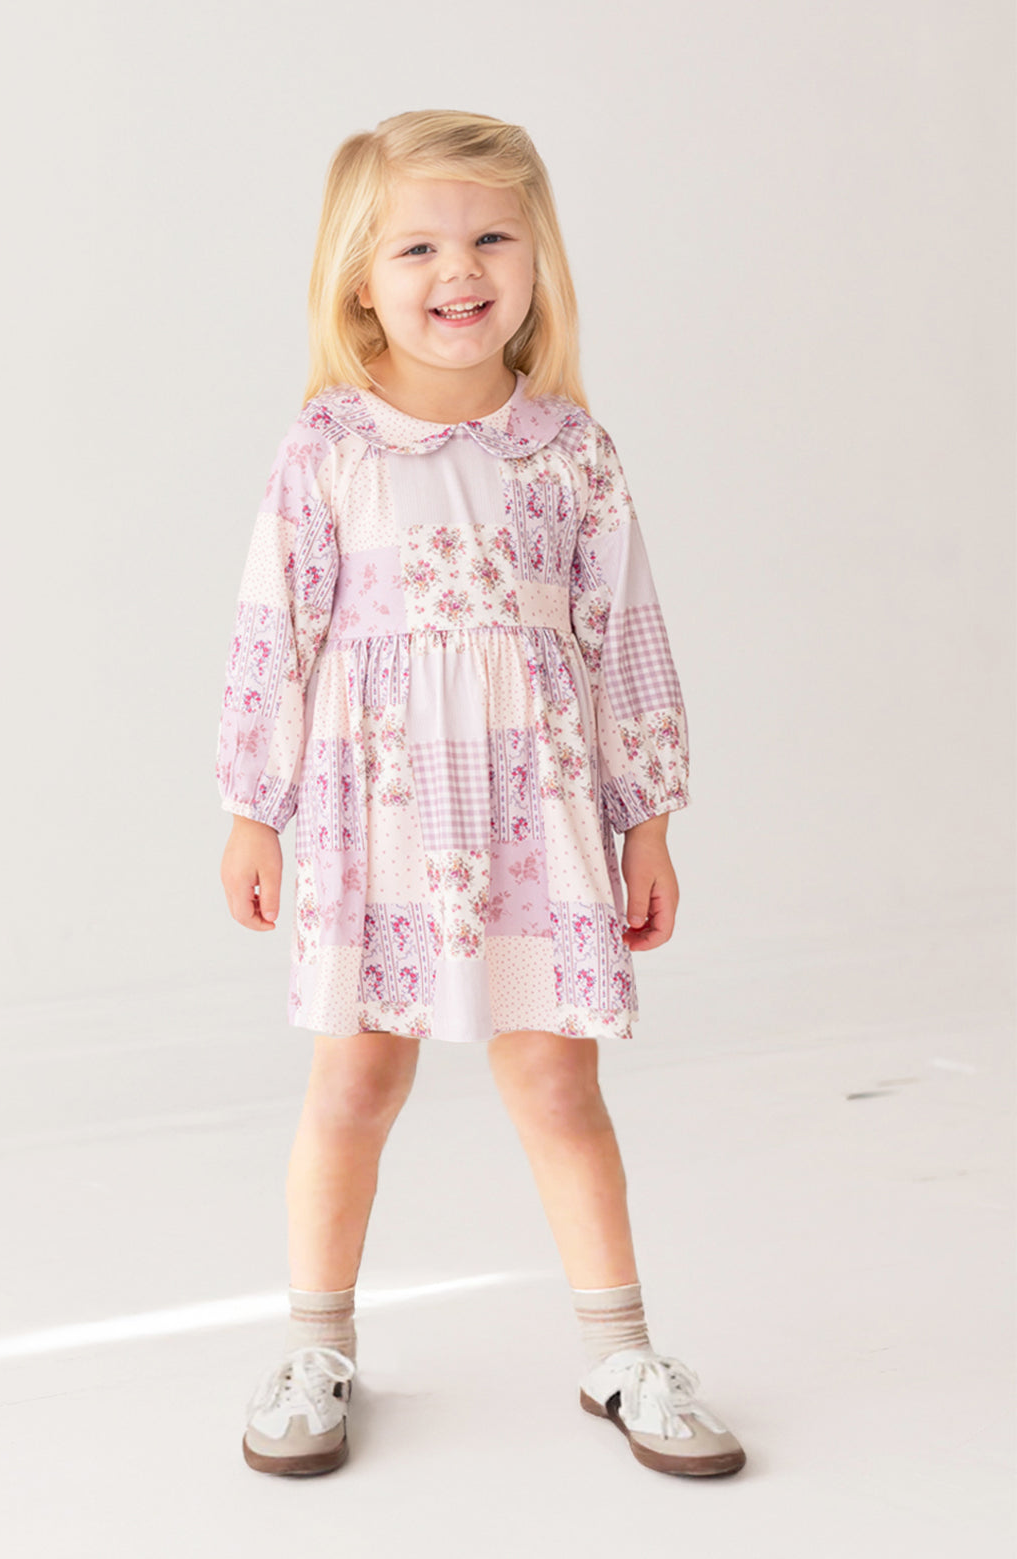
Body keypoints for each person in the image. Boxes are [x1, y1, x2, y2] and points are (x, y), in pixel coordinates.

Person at [216, 109, 746, 1479]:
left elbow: (628, 632)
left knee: (560, 1089)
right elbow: (270, 629)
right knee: (353, 1081)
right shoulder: (328, 447)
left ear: (535, 259)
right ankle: (316, 1344)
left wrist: (651, 821)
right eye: (421, 245)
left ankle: (622, 1352)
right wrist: (251, 805)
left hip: (535, 816)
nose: (461, 269)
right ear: (361, 279)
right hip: (373, 819)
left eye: (492, 237)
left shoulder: (566, 450)